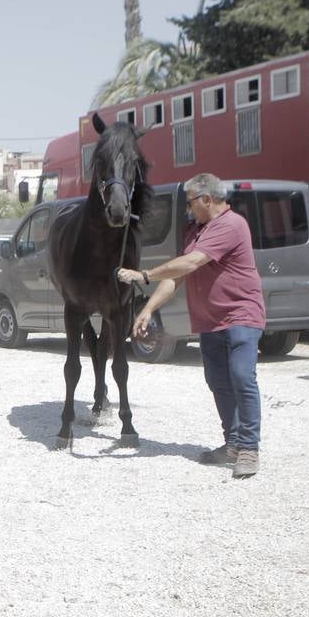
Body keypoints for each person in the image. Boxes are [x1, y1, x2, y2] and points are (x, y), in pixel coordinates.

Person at [116, 173, 266, 479]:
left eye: (190, 202)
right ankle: (233, 443)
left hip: (241, 315)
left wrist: (144, 275)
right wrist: (148, 308)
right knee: (218, 380)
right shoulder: (195, 231)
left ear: (207, 199)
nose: (188, 208)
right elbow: (177, 277)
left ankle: (249, 448)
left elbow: (190, 263)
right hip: (210, 321)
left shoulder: (231, 225)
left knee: (241, 375)